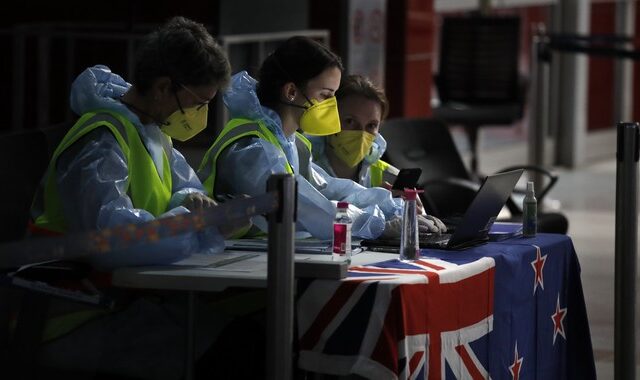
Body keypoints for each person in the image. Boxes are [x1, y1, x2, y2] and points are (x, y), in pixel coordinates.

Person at [30, 17, 248, 379]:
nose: (200, 117)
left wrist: (203, 208)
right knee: (233, 344)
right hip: (74, 314)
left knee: (235, 329)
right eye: (198, 103)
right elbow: (111, 239)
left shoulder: (151, 133)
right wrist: (195, 223)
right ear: (164, 87)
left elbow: (184, 187)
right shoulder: (102, 141)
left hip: (125, 298)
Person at [197, 36, 436, 240]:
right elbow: (306, 208)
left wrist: (391, 205)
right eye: (325, 96)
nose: (331, 108)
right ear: (291, 92)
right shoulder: (253, 148)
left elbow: (329, 189)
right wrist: (379, 226)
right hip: (233, 270)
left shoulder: (293, 143)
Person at [306, 74, 445, 232]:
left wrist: (418, 217)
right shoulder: (306, 167)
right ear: (329, 120)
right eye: (350, 121)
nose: (361, 133)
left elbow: (414, 228)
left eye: (371, 125)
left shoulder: (389, 176)